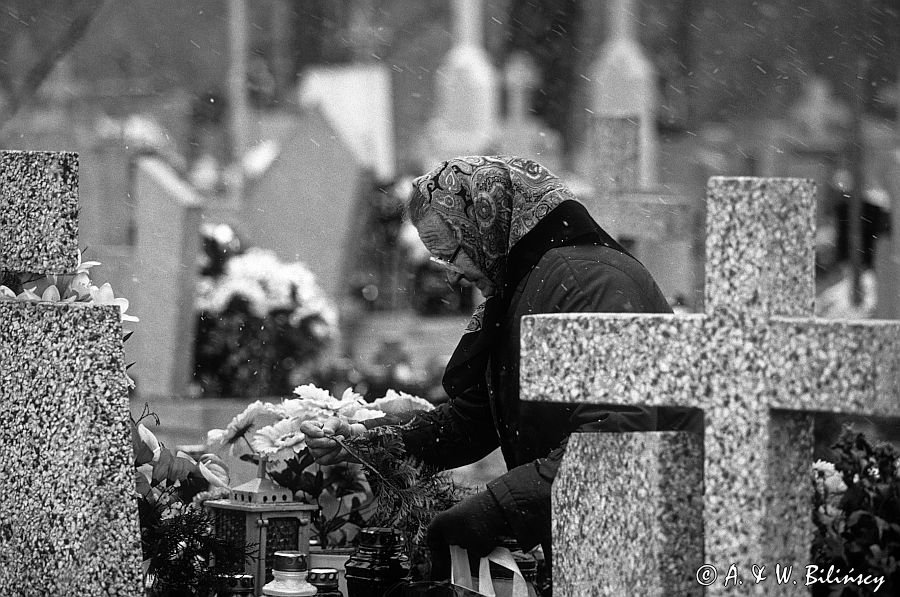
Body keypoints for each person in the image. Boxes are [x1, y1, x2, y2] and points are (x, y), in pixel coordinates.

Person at [301, 155, 699, 585]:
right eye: (438, 262)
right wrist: (373, 440)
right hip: (604, 541)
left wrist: (498, 509)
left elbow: (616, 448)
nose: (452, 280)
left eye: (451, 255)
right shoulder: (529, 285)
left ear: (487, 224)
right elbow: (477, 418)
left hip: (656, 547)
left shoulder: (585, 286)